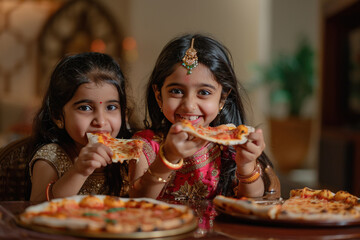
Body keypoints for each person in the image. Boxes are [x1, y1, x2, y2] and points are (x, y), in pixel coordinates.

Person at [129, 33, 279, 201]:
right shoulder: (144, 146)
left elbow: (251, 202)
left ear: (222, 98)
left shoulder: (229, 145)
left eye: (204, 92)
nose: (189, 105)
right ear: (158, 95)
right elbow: (136, 200)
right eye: (176, 91)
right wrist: (167, 157)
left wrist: (246, 165)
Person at [29, 52, 131, 201]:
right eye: (85, 108)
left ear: (124, 113)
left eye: (111, 107)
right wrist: (79, 171)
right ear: (58, 117)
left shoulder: (129, 159)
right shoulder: (50, 157)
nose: (101, 121)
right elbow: (36, 208)